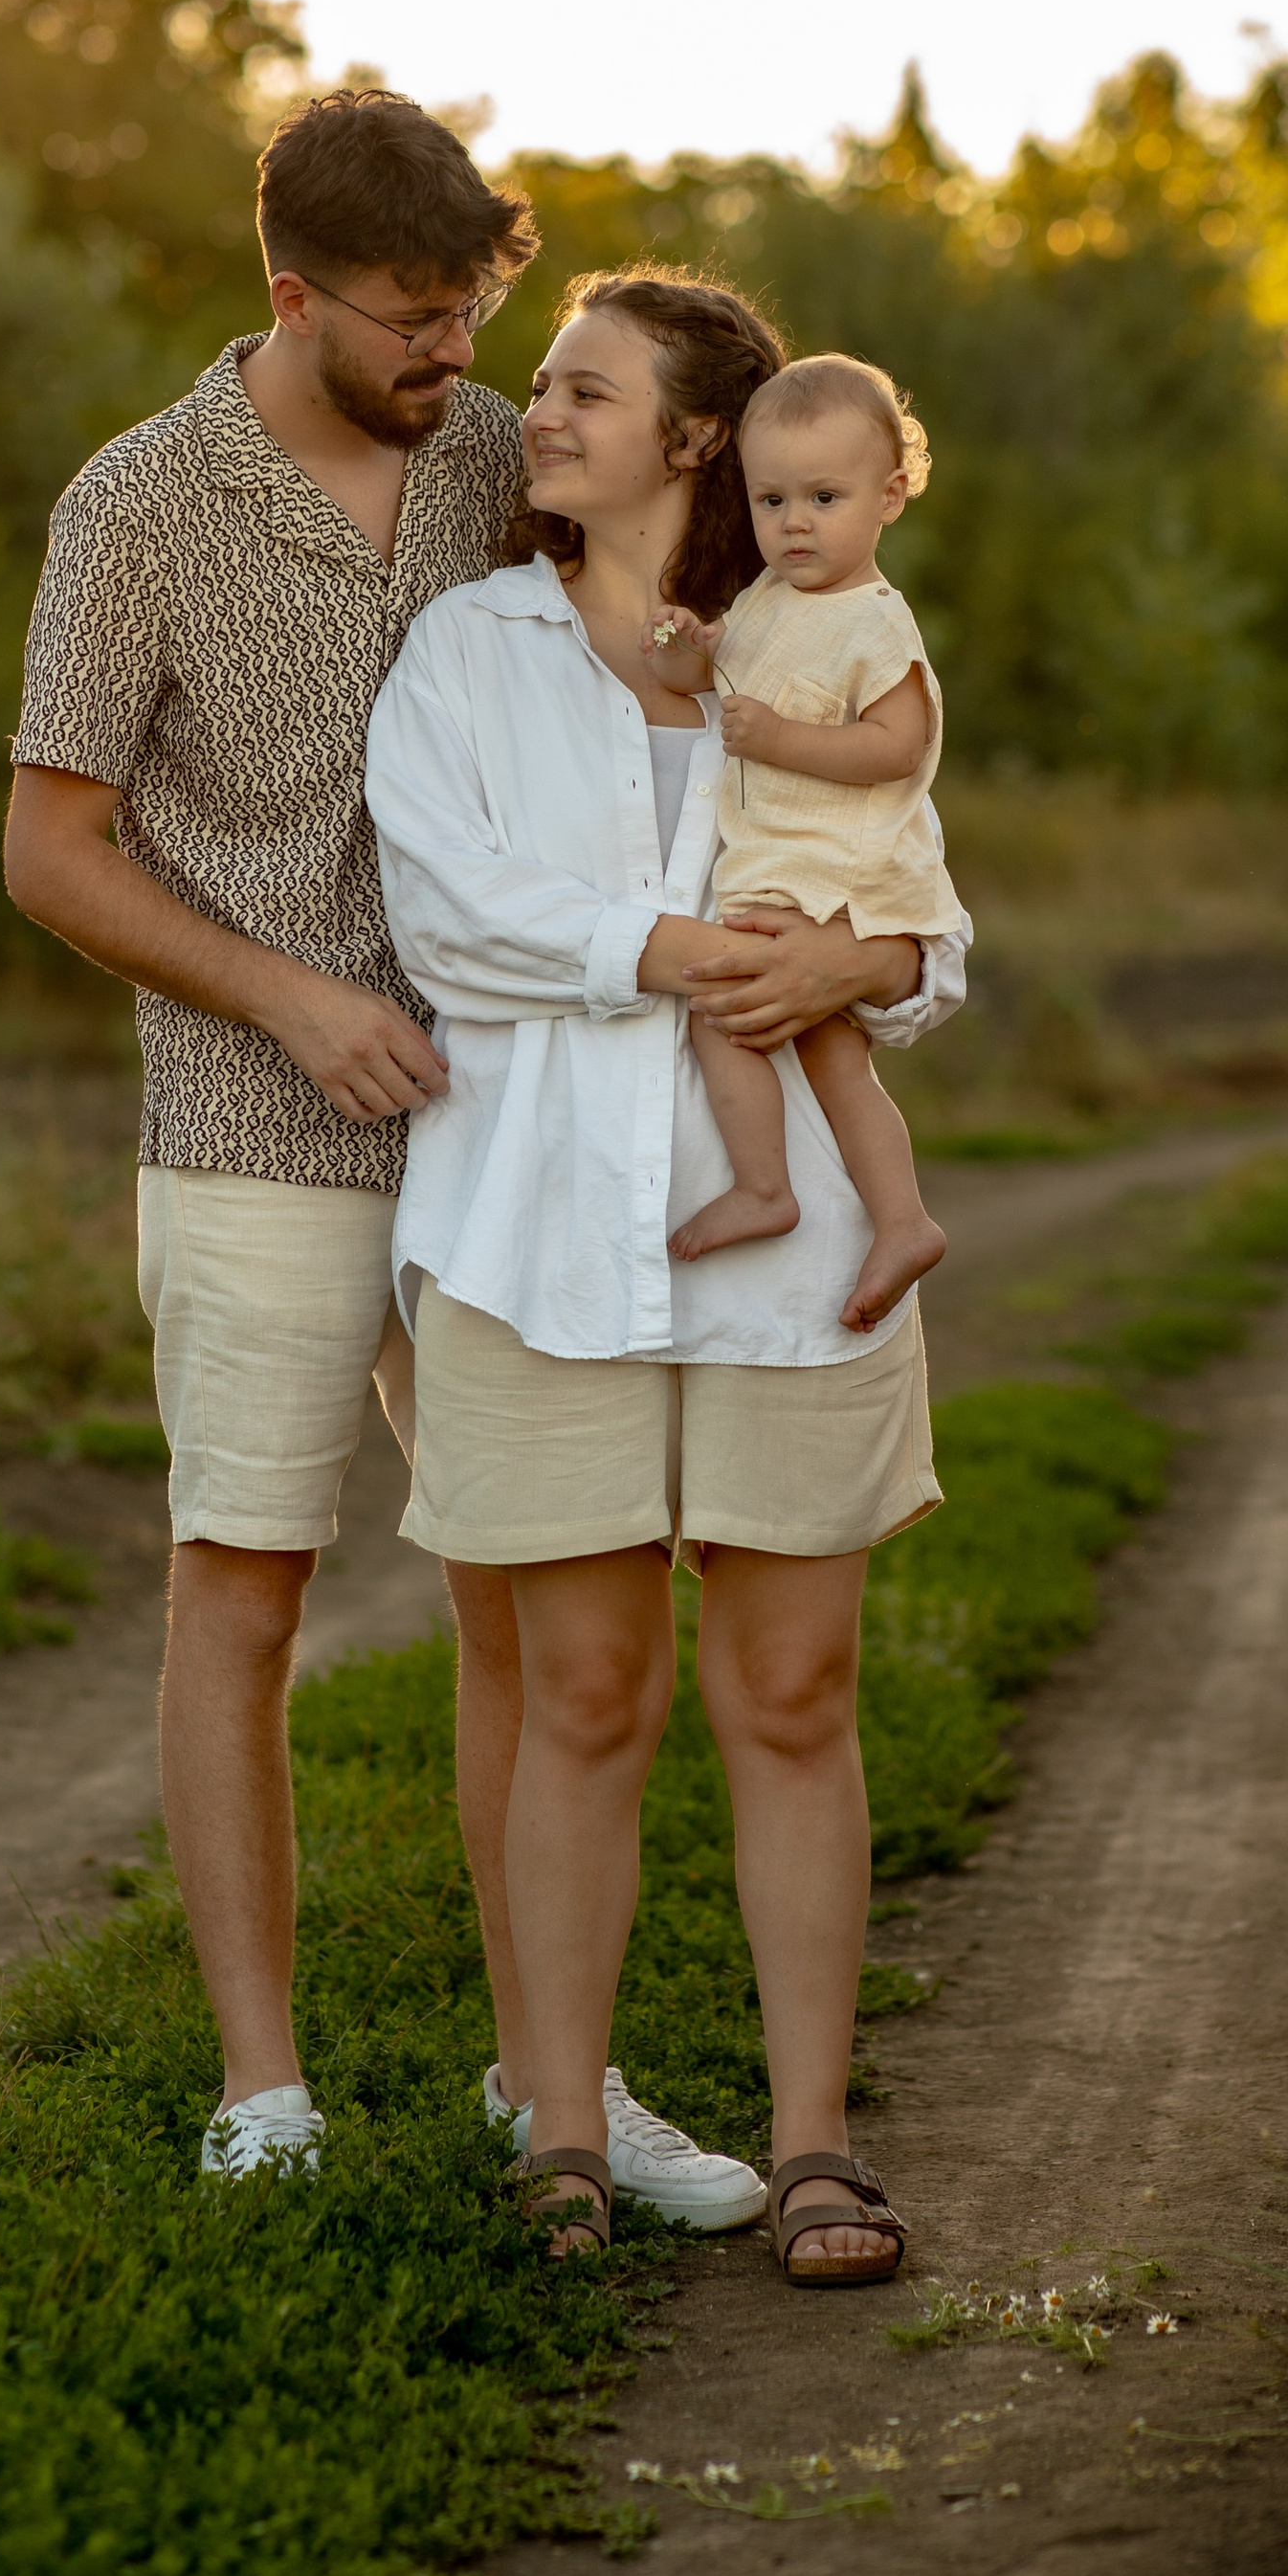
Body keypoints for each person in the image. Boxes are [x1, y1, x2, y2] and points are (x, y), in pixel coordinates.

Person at [2, 95, 857, 2218]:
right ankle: (264, 2091)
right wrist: (290, 1000)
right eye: (410, 317)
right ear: (286, 294)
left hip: (530, 1132)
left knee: (531, 1609)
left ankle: (543, 2087)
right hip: (258, 1124)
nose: (454, 354)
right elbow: (46, 846)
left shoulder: (502, 451)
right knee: (246, 1577)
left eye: (476, 308)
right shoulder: (134, 506)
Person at [366, 270, 971, 2282]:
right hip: (535, 1234)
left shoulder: (807, 642)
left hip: (784, 1233)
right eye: (538, 383)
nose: (532, 411)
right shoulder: (467, 650)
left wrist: (859, 966)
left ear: (691, 436)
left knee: (790, 1689)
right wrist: (674, 955)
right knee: (586, 1695)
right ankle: (561, 2130)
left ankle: (815, 2147)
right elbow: (448, 911)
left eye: (579, 387)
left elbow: (920, 917)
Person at [654, 352, 952, 1333]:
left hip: (837, 869)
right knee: (829, 1052)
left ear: (889, 496)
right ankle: (900, 1218)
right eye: (771, 497)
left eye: (825, 496)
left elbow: (898, 745)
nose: (794, 522)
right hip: (786, 862)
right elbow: (718, 682)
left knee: (722, 1001)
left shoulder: (874, 620)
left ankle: (762, 1186)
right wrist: (690, 651)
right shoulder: (767, 605)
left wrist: (780, 738)